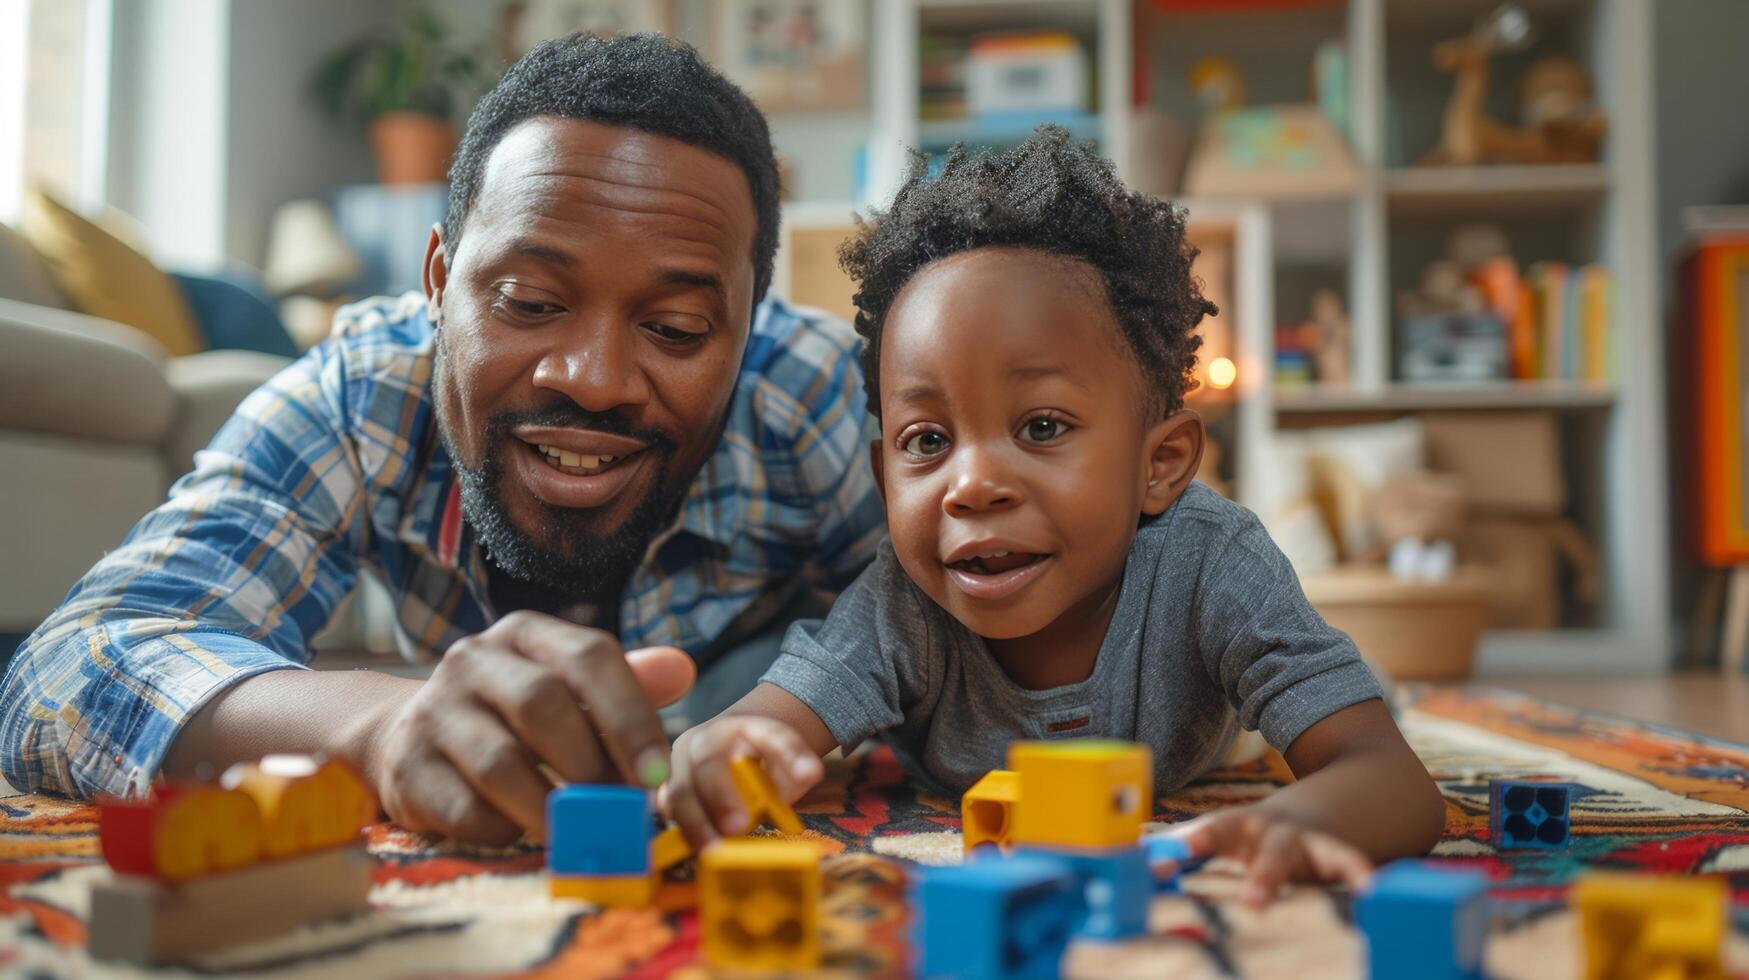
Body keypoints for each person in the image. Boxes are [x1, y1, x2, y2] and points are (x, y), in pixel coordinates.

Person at [0, 33, 884, 845]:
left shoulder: (804, 392)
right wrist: (373, 726)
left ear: (746, 330)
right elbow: (68, 670)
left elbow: (945, 611)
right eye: (531, 304)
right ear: (437, 282)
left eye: (679, 327)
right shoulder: (363, 391)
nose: (593, 377)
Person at [663, 128, 1445, 906]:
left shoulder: (1211, 564)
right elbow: (759, 724)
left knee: (1350, 692)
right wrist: (728, 745)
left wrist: (1303, 817)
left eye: (1041, 427)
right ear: (882, 477)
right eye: (927, 440)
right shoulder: (900, 600)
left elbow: (1392, 780)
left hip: (1228, 732)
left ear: (1159, 463)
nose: (970, 485)